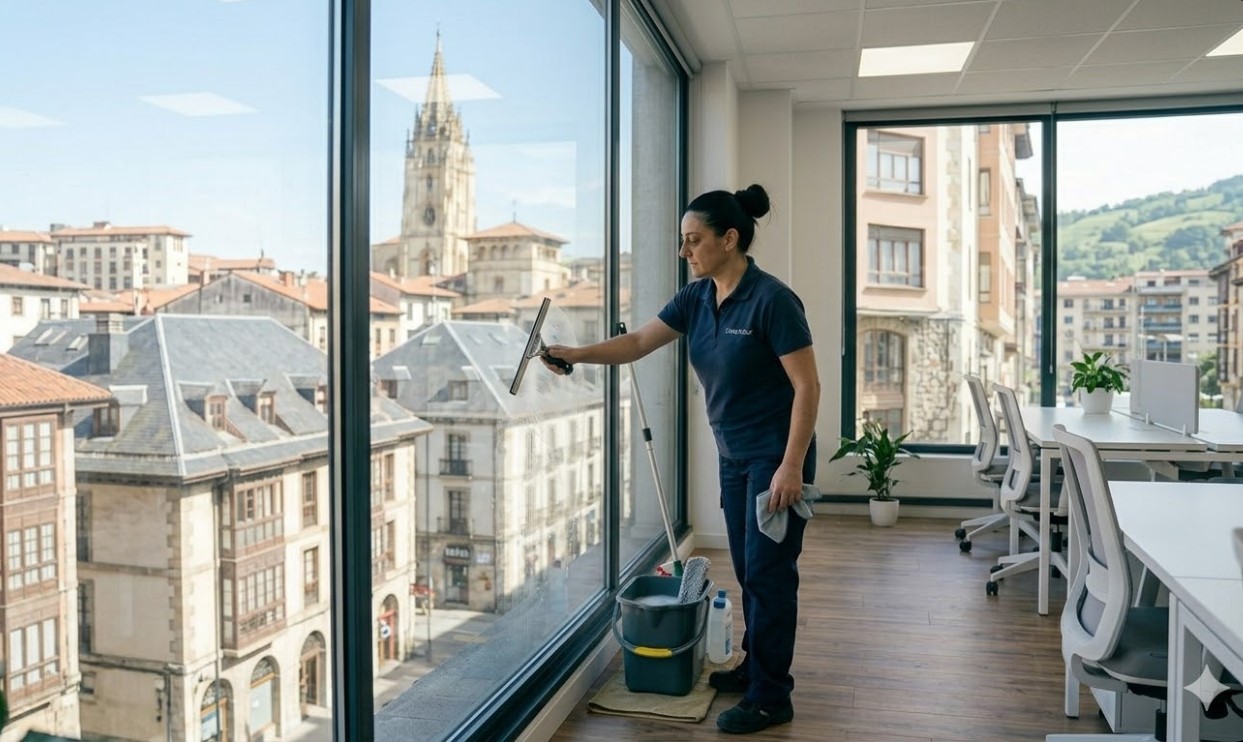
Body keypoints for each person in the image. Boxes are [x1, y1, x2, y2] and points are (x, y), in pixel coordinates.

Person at [543, 183, 819, 735]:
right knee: (747, 571)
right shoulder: (696, 299)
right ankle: (753, 668)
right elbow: (639, 342)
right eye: (682, 241)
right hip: (734, 458)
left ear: (730, 239)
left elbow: (808, 386)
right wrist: (576, 354)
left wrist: (792, 466)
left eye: (694, 241)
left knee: (769, 576)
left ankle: (772, 697)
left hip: (774, 458)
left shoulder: (772, 300)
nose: (684, 251)